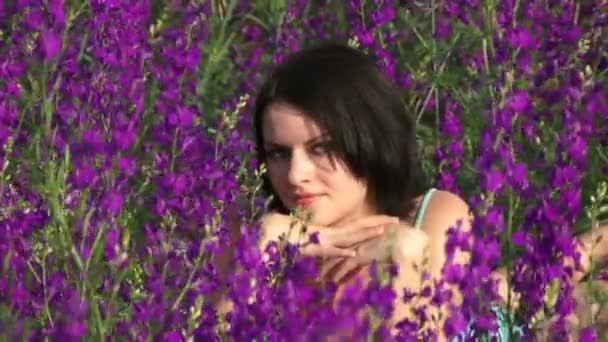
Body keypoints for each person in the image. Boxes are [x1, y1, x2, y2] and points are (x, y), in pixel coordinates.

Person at [219, 41, 608, 339]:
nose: (296, 175)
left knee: (537, 293)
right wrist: (259, 252)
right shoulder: (252, 227)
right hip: (478, 304)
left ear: (368, 140)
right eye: (278, 153)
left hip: (478, 322)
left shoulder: (432, 216)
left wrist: (406, 259)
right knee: (508, 288)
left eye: (321, 147)